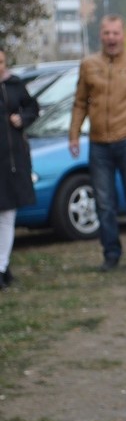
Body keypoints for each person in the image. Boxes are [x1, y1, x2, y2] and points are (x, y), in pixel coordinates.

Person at [69, 15, 126, 273]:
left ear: (123, 35)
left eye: (115, 33)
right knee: (104, 204)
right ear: (100, 36)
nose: (111, 38)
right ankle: (111, 254)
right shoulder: (89, 64)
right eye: (106, 33)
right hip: (98, 145)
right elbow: (80, 102)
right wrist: (74, 133)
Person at [0, 50, 39, 289]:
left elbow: (32, 108)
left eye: (2, 62)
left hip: (12, 164)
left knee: (7, 216)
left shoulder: (14, 85)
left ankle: (2, 267)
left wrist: (22, 118)